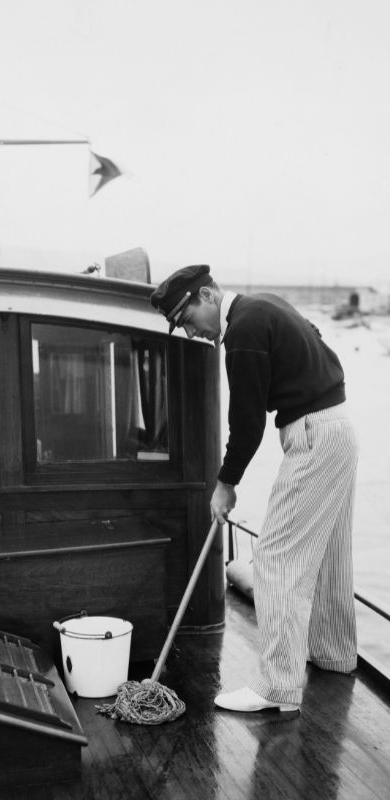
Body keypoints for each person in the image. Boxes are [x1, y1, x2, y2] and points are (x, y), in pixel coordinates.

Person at [151, 265, 358, 714]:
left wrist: (225, 485)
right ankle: (335, 655)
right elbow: (317, 338)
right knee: (329, 553)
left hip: (313, 436)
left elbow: (246, 423)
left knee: (276, 558)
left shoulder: (241, 332)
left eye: (188, 320)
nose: (192, 333)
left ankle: (278, 688)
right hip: (339, 427)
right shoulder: (265, 305)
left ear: (207, 295)